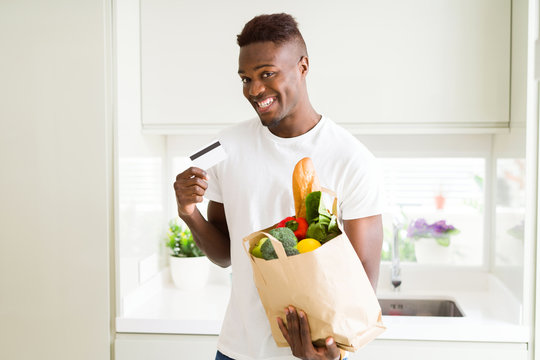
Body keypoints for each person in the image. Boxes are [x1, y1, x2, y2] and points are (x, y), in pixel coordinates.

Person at [173, 13, 383, 360]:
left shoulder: (352, 159)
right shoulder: (227, 146)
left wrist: (329, 350)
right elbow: (224, 255)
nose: (254, 90)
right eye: (246, 78)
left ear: (303, 66)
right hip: (235, 350)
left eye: (267, 73)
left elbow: (363, 282)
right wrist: (188, 213)